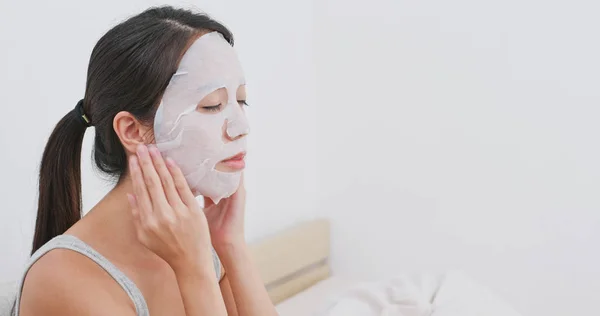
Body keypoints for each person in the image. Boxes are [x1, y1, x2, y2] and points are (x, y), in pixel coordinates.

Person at [13, 6, 277, 316]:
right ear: (133, 132)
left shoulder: (201, 247)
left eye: (241, 100)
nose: (241, 126)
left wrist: (231, 245)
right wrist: (194, 272)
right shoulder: (64, 279)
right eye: (212, 105)